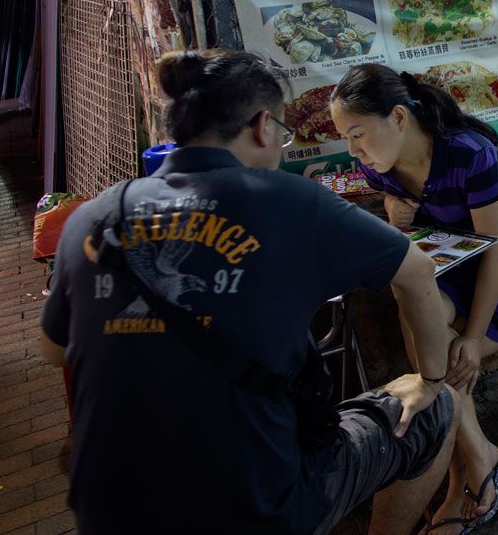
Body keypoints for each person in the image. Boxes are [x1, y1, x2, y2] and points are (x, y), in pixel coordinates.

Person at [41, 50, 462, 535]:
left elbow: (54, 350)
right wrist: (430, 379)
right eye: (283, 135)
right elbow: (416, 272)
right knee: (438, 411)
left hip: (107, 509)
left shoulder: (95, 217)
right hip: (255, 507)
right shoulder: (288, 201)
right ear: (263, 126)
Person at [330, 64, 498, 534]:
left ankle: (462, 478)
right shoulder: (382, 166)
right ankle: (477, 458)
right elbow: (410, 237)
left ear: (397, 117)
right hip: (453, 273)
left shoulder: (469, 154)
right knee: (418, 315)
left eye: (357, 134)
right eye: (346, 139)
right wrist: (396, 214)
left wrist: (473, 338)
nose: (353, 151)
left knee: (441, 358)